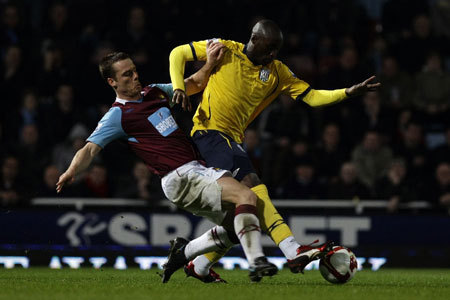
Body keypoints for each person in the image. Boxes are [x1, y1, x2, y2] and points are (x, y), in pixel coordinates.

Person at [169, 19, 380, 280]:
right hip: (208, 133)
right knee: (252, 186)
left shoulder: (278, 72)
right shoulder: (225, 50)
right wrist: (179, 86)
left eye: (276, 50)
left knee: (244, 215)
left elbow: (312, 97)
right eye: (269, 48)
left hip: (232, 140)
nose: (272, 55)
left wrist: (347, 92)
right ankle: (292, 250)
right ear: (254, 39)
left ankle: (197, 264)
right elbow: (178, 53)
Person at [55, 41, 279, 283]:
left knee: (238, 225)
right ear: (113, 82)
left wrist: (211, 64)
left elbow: (192, 84)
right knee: (247, 196)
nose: (135, 76)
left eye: (134, 70)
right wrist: (70, 171)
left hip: (192, 173)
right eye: (127, 74)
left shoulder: (153, 92)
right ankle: (257, 260)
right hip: (180, 175)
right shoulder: (118, 115)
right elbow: (89, 150)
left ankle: (186, 255)